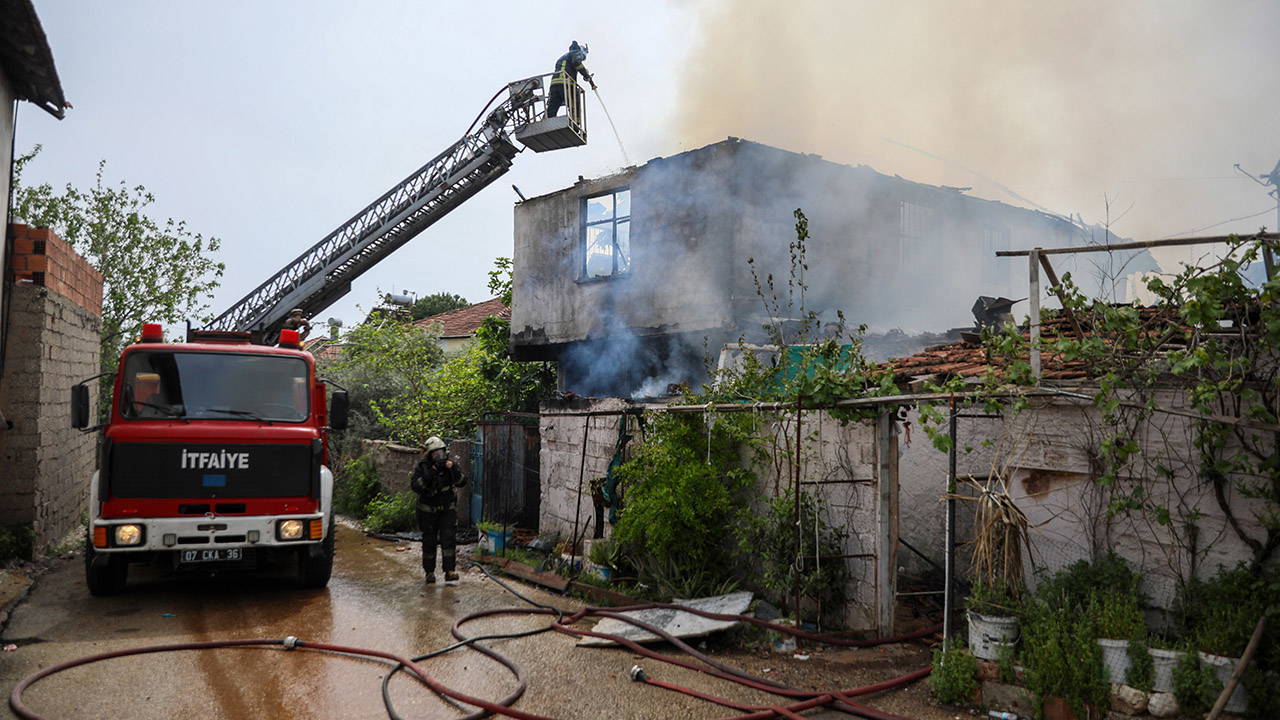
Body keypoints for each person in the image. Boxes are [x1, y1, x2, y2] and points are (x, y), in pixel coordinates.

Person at [410, 436, 465, 584]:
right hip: (428, 512)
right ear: (429, 455)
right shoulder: (423, 467)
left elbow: (462, 481)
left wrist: (452, 468)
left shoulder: (451, 465)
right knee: (429, 542)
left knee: (449, 540)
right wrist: (431, 472)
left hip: (447, 511)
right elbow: (416, 486)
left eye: (440, 452)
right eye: (435, 454)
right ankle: (429, 572)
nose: (438, 456)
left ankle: (449, 571)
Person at [547, 40, 595, 119]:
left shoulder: (563, 57)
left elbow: (574, 65)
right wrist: (586, 75)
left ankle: (548, 122)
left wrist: (585, 73)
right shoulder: (575, 53)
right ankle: (576, 123)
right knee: (574, 104)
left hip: (554, 85)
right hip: (566, 84)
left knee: (552, 108)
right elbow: (577, 63)